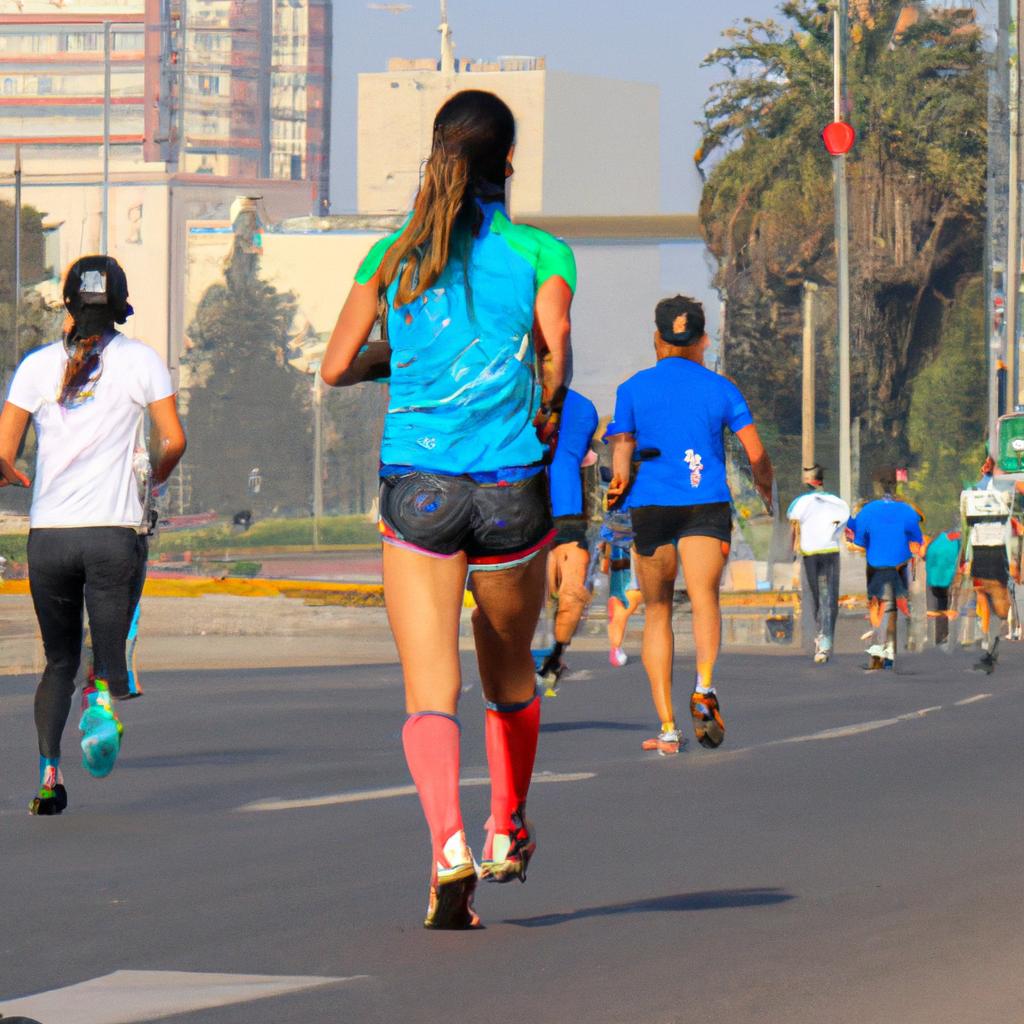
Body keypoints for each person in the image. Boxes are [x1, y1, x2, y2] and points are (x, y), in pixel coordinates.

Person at [320, 90, 574, 930]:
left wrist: (396, 366)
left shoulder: (392, 257)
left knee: (432, 687)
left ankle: (448, 846)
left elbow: (334, 364)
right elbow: (555, 348)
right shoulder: (542, 252)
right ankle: (507, 828)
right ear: (508, 164)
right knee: (509, 674)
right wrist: (545, 395)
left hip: (419, 493)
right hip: (510, 491)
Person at [0, 255, 186, 815]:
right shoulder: (141, 361)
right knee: (104, 659)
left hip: (49, 537)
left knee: (57, 660)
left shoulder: (35, 366)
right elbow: (173, 440)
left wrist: (17, 475)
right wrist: (153, 475)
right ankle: (101, 702)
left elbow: (3, 455)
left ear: (67, 305)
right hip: (111, 534)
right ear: (121, 307)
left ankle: (48, 775)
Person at [607, 295, 773, 755]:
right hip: (705, 503)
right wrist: (765, 492)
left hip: (651, 506)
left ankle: (667, 729)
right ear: (703, 339)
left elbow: (622, 448)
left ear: (657, 339)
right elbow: (756, 454)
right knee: (704, 599)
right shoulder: (721, 388)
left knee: (657, 610)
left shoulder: (632, 388)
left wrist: (620, 478)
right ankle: (704, 685)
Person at [536, 388, 599, 695]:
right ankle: (552, 655)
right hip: (555, 514)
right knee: (563, 595)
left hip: (544, 515)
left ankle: (551, 657)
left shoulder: (581, 408)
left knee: (561, 595)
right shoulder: (584, 407)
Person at [847, 471, 923, 670]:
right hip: (900, 565)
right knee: (892, 607)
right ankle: (887, 647)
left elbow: (859, 539)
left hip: (877, 565)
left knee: (880, 605)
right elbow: (917, 532)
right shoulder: (906, 507)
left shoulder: (868, 509)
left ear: (879, 486)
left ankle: (881, 645)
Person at [786, 464, 850, 664]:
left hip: (810, 553)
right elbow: (847, 523)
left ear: (809, 481)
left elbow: (793, 522)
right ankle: (825, 640)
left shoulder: (800, 502)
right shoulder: (839, 503)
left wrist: (791, 550)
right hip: (831, 551)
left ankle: (820, 639)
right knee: (829, 597)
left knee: (814, 596)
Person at [960, 467, 1018, 674]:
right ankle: (989, 644)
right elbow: (967, 529)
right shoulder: (985, 490)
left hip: (991, 553)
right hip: (987, 553)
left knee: (997, 606)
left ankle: (990, 642)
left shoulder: (989, 490)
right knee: (991, 602)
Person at [923, 523, 961, 647]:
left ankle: (937, 635)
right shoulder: (956, 542)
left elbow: (926, 558)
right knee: (945, 606)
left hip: (934, 580)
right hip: (948, 580)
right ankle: (944, 634)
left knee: (936, 607)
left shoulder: (934, 544)